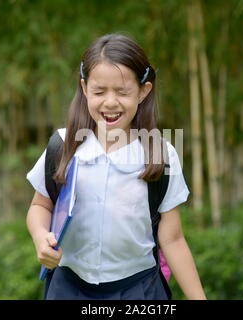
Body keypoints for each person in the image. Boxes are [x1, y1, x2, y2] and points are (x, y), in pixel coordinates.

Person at [26, 33, 206, 300]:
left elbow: (172, 239)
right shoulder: (63, 146)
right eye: (99, 91)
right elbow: (40, 206)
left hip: (139, 291)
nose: (110, 102)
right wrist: (41, 236)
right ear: (84, 88)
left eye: (122, 92)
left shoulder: (160, 154)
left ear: (144, 91)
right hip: (69, 288)